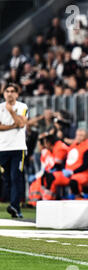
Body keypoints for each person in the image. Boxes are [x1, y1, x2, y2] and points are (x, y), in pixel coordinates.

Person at [0, 83, 28, 218]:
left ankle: (15, 207)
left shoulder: (22, 107)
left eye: (12, 91)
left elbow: (22, 124)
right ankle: (13, 204)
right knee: (7, 179)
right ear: (4, 93)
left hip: (18, 148)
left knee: (15, 178)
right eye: (7, 91)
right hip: (2, 148)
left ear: (17, 94)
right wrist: (13, 125)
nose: (10, 94)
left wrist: (11, 111)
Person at [43, 129, 88, 200]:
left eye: (81, 135)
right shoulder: (73, 145)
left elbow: (86, 165)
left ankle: (78, 198)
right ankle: (49, 200)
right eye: (78, 135)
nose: (79, 137)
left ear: (86, 136)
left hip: (82, 174)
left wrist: (73, 172)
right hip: (68, 173)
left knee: (73, 182)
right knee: (51, 177)